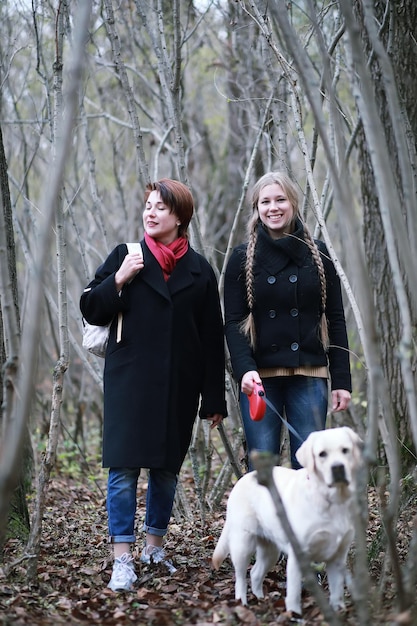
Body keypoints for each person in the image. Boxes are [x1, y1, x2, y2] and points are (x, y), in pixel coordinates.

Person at [80, 178, 227, 592]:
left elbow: (212, 337)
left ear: (180, 217)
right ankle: (122, 558)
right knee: (123, 470)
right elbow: (90, 307)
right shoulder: (125, 256)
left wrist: (213, 397)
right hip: (130, 381)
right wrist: (119, 279)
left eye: (160, 207)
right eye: (147, 205)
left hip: (179, 386)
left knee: (165, 470)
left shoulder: (199, 271)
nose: (150, 212)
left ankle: (154, 548)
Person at [224, 171, 351, 471]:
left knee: (310, 470)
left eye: (280, 199)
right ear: (257, 208)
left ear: (293, 202)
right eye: (265, 202)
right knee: (263, 471)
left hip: (309, 373)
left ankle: (306, 522)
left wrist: (342, 381)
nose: (273, 207)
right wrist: (245, 371)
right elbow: (233, 322)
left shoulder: (319, 254)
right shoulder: (242, 259)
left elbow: (335, 319)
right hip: (260, 379)